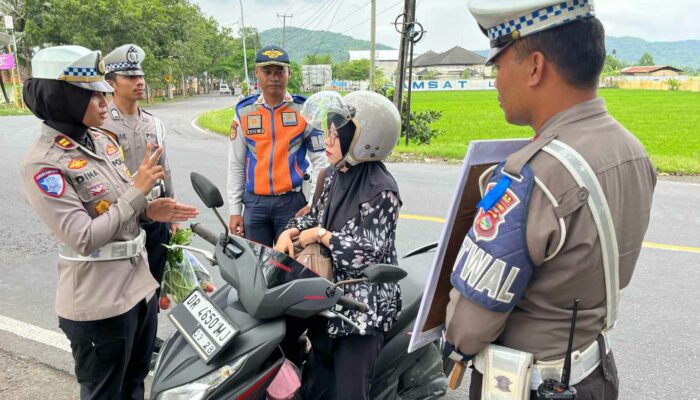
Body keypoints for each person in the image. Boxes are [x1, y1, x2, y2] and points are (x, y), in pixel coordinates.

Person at [442, 1, 657, 399]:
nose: (495, 81)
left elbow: (469, 328)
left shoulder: (531, 174)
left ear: (534, 67)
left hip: (527, 384)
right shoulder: (632, 149)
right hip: (595, 375)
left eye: (498, 65)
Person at [19, 45, 198, 399]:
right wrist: (139, 193)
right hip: (99, 302)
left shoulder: (101, 141)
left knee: (135, 383)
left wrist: (150, 211)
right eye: (93, 94)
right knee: (105, 392)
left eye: (104, 92)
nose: (104, 101)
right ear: (64, 97)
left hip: (137, 286)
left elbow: (117, 206)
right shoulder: (44, 164)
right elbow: (83, 237)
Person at [275, 91, 403, 400]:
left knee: (348, 394)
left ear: (364, 140)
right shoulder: (333, 175)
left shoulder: (381, 189)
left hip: (362, 311)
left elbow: (367, 252)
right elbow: (314, 216)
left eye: (335, 136)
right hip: (326, 298)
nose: (327, 142)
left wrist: (321, 235)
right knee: (314, 388)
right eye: (328, 134)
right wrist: (289, 232)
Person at [101, 44, 175, 353]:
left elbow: (164, 168)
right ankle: (126, 339)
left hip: (155, 217)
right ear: (111, 82)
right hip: (124, 218)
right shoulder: (101, 125)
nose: (139, 81)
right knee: (123, 284)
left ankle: (149, 336)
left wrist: (171, 211)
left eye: (140, 75)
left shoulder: (153, 123)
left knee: (153, 281)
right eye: (130, 76)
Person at [227, 45, 327, 247]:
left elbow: (321, 162)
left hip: (292, 204)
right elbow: (236, 164)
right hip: (254, 205)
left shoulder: (305, 110)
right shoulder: (244, 112)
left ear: (289, 73)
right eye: (267, 71)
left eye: (279, 71)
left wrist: (312, 204)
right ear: (257, 74)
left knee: (292, 267)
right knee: (256, 270)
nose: (273, 77)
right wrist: (234, 210)